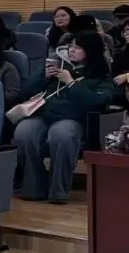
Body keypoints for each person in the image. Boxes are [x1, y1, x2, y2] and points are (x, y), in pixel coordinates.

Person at [13, 32, 116, 204]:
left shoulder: (100, 76)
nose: (71, 50)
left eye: (77, 47)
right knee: (24, 132)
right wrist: (43, 77)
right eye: (70, 46)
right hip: (42, 115)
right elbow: (25, 92)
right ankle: (33, 188)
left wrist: (71, 83)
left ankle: (58, 191)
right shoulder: (57, 65)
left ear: (90, 51)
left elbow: (97, 102)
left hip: (72, 118)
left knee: (62, 135)